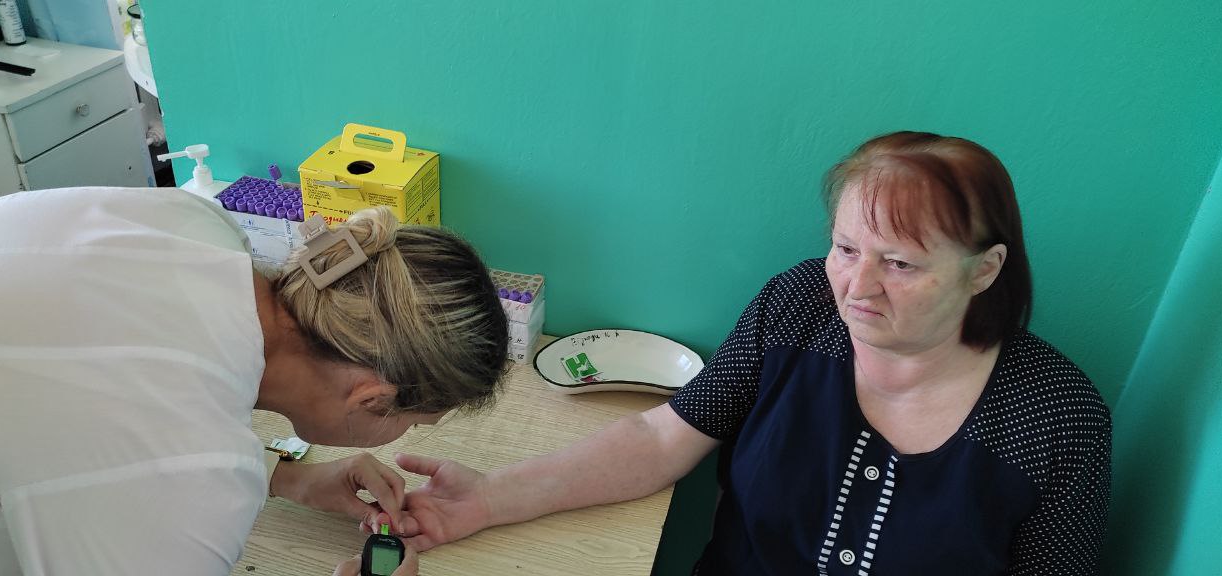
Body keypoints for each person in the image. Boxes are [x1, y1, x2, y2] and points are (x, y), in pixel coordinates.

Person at [369, 132, 1112, 575]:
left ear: (984, 270)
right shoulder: (799, 308)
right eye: (846, 248)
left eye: (900, 263)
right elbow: (662, 438)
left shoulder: (1058, 418)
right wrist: (491, 497)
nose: (857, 286)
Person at [0, 187, 508, 576]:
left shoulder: (196, 224)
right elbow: (151, 440)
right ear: (372, 399)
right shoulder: (193, 475)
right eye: (416, 423)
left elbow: (96, 397)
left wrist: (284, 477)